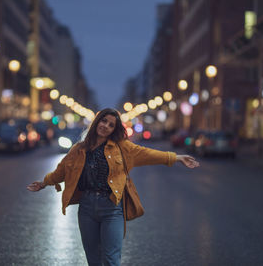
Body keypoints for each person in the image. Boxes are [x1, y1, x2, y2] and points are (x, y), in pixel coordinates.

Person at [27, 108, 199, 266]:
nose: (106, 126)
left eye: (111, 125)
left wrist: (176, 157)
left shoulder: (122, 147)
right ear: (97, 122)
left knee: (111, 259)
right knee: (93, 258)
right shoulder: (78, 149)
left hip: (112, 208)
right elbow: (61, 171)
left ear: (114, 130)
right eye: (104, 121)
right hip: (86, 208)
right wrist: (44, 183)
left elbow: (147, 154)